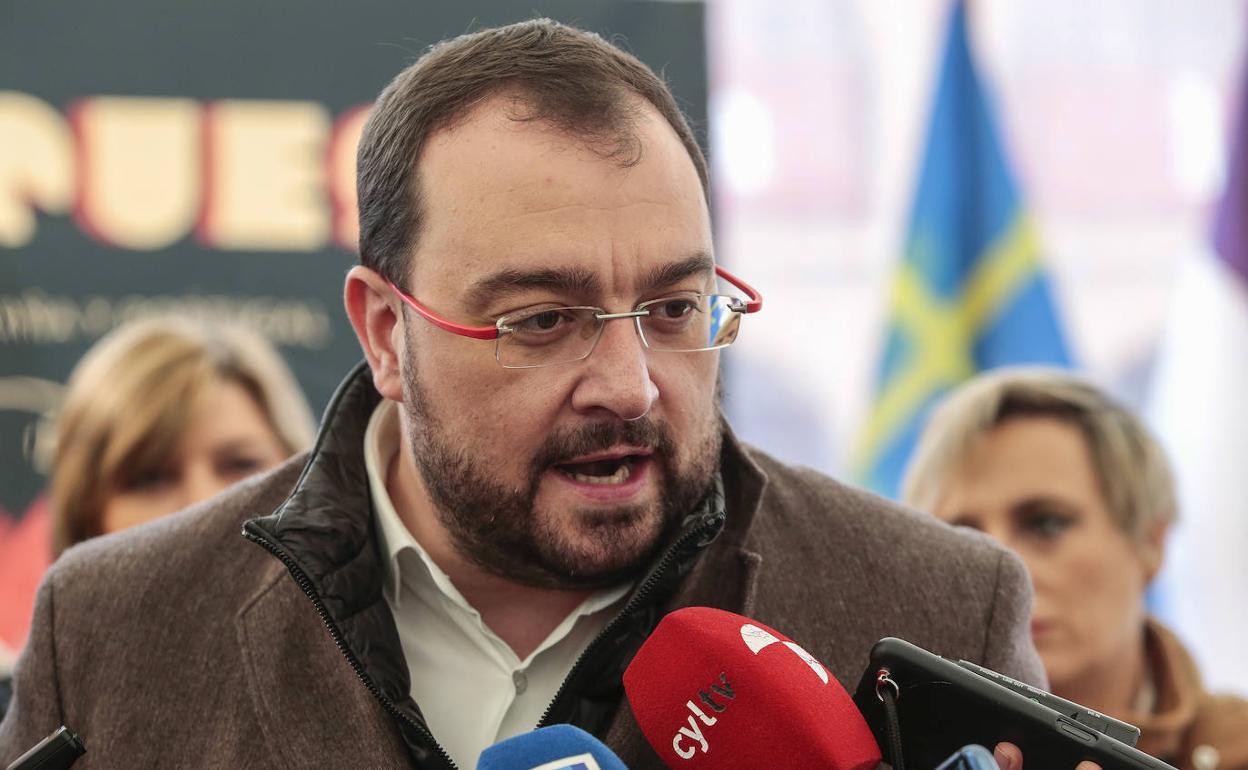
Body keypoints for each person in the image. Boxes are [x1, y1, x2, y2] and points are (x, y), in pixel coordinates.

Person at [2, 20, 1065, 769]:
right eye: (541, 319)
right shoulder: (110, 630)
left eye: (674, 306)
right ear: (385, 330)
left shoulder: (934, 609)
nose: (629, 383)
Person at [903, 368, 1248, 770]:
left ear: (1150, 542)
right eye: (962, 536)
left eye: (1045, 523)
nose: (1001, 571)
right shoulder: (865, 744)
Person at [0, 316, 315, 723]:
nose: (206, 503)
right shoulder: (18, 729)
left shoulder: (379, 697)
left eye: (240, 464)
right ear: (86, 514)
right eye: (151, 477)